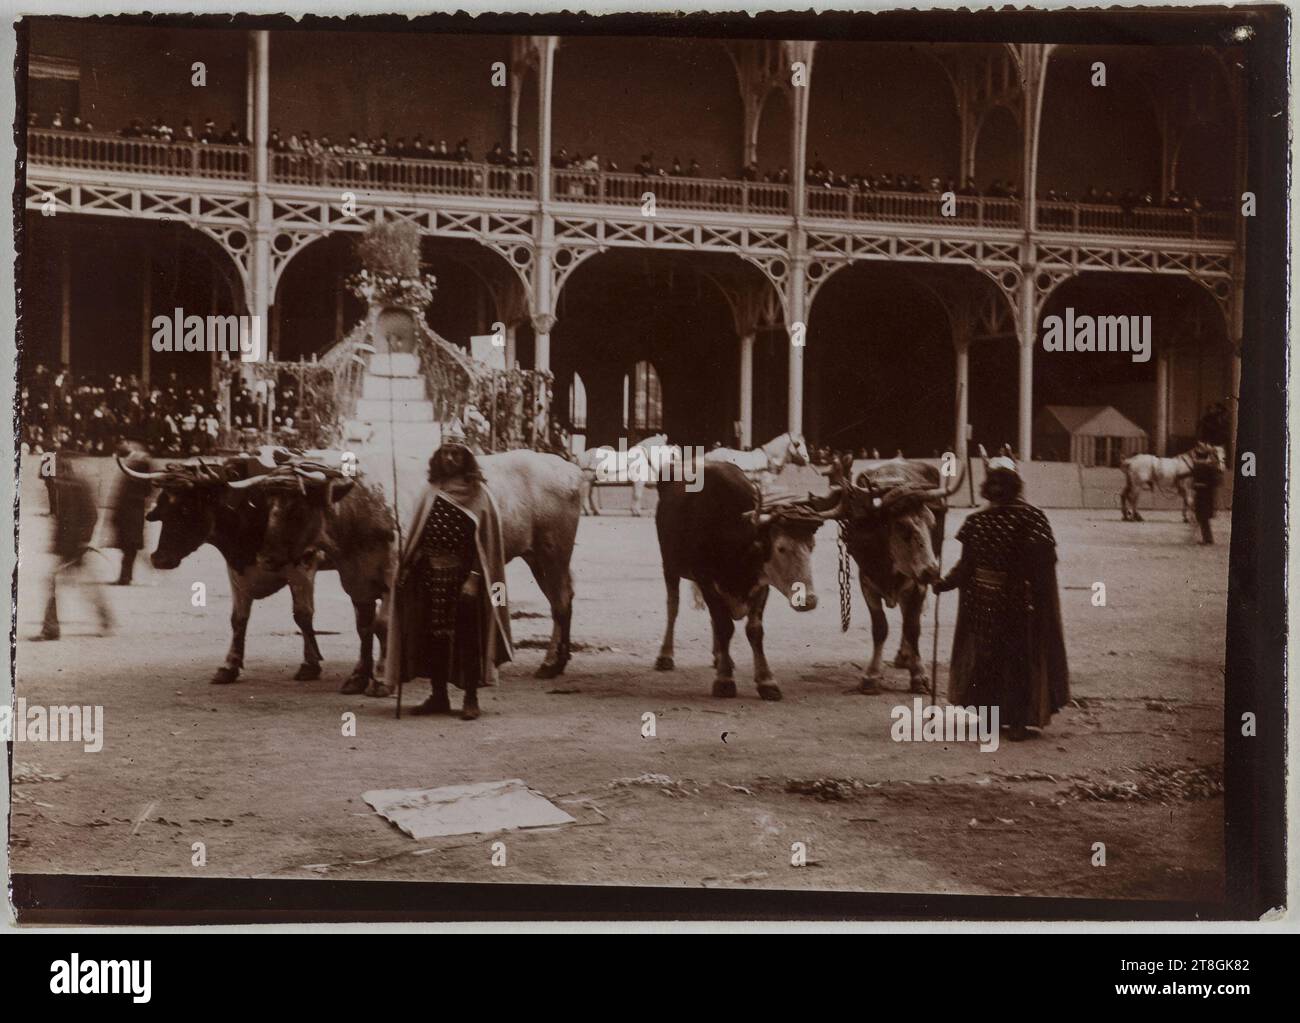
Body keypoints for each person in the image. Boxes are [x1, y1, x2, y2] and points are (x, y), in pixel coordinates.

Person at [930, 452, 1068, 740]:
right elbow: (969, 565)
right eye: (994, 482)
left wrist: (946, 583)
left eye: (1000, 482)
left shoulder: (1021, 518)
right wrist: (945, 583)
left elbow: (1042, 565)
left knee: (1002, 660)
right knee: (1000, 660)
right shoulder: (988, 520)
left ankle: (1008, 719)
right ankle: (1002, 719)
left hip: (1004, 601)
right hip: (998, 602)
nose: (996, 488)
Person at [385, 425, 513, 720]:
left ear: (466, 457)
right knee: (433, 638)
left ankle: (470, 698)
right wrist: (407, 565)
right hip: (430, 575)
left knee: (467, 638)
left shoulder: (480, 495)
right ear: (438, 456)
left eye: (456, 453)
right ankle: (438, 695)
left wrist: (473, 579)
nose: (451, 458)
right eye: (446, 452)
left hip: (464, 577)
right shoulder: (431, 491)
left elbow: (484, 547)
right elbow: (420, 535)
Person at [38, 451, 113, 641]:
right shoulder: (63, 487)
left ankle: (51, 630)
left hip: (74, 547)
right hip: (68, 547)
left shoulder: (77, 485)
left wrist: (83, 540)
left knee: (54, 582)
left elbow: (91, 516)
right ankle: (105, 619)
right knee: (85, 585)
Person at [108, 440, 152, 584]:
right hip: (130, 510)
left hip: (131, 510)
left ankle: (125, 577)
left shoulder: (140, 462)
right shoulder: (136, 461)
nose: (120, 446)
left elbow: (146, 489)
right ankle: (126, 576)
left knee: (129, 545)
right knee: (129, 545)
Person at [1189, 442, 1225, 545]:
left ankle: (1208, 539)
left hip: (1201, 496)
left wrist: (1198, 485)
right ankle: (1207, 538)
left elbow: (1193, 483)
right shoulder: (1210, 467)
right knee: (1203, 518)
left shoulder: (1198, 467)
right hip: (1207, 496)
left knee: (1202, 518)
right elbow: (1215, 482)